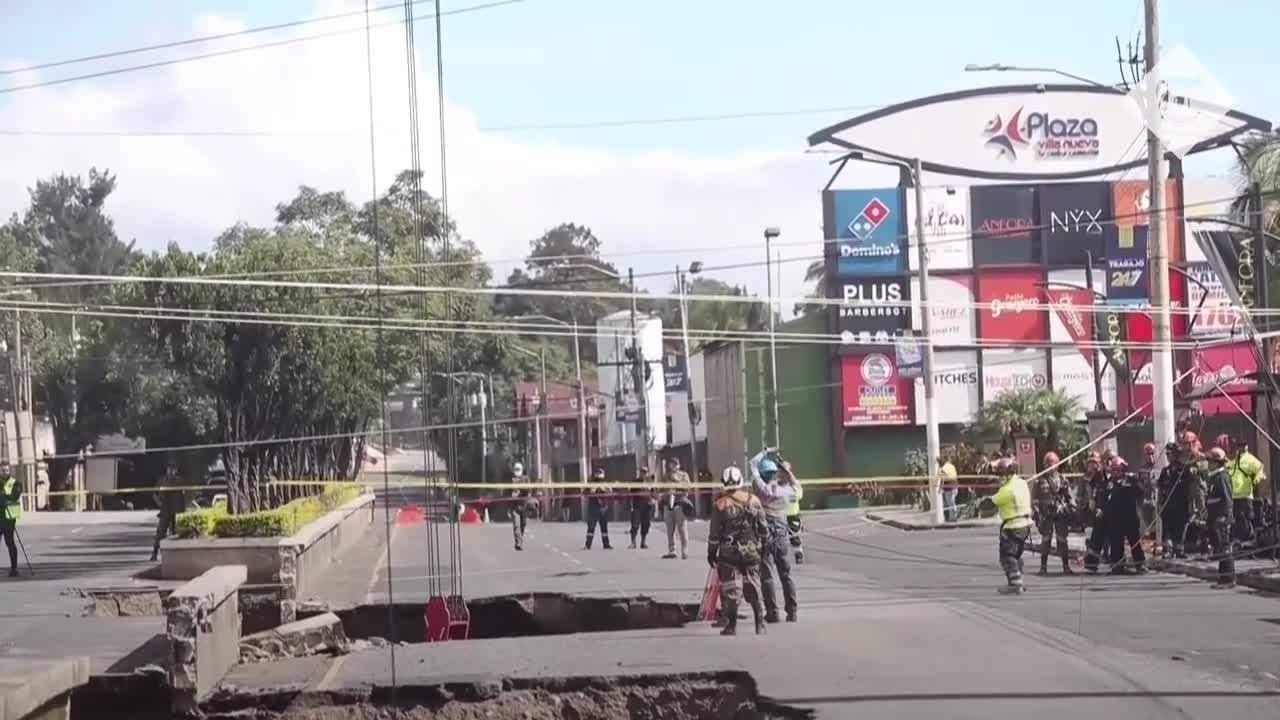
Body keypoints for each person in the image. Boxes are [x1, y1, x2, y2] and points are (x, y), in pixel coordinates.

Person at [707, 465, 768, 636]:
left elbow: (714, 534)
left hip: (729, 553)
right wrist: (763, 546)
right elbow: (763, 528)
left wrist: (711, 553)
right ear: (740, 481)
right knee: (754, 586)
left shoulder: (720, 504)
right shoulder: (754, 500)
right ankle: (760, 625)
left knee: (732, 589)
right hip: (751, 551)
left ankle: (731, 627)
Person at [748, 447, 798, 622]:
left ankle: (772, 612)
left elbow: (752, 464)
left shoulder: (762, 490)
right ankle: (792, 611)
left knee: (767, 574)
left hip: (765, 534)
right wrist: (787, 470)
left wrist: (765, 451)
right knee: (786, 573)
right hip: (782, 533)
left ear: (763, 475)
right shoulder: (786, 492)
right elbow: (797, 487)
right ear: (775, 474)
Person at [987, 458, 1033, 595]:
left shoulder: (1006, 490)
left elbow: (990, 504)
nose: (999, 478)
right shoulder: (1022, 483)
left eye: (1001, 475)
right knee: (1016, 555)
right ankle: (1019, 581)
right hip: (1025, 526)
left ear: (1007, 474)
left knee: (1007, 556)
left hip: (1013, 526)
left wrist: (980, 503)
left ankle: (1015, 584)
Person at [1032, 451, 1075, 576]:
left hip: (1060, 514)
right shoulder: (1039, 481)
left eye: (1052, 463)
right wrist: (1036, 513)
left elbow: (1070, 497)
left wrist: (1069, 508)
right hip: (1046, 514)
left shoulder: (1063, 480)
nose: (1049, 465)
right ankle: (1043, 567)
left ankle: (1066, 567)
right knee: (1045, 540)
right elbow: (1034, 499)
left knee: (1062, 540)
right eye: (1047, 463)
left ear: (1057, 464)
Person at [1105, 456, 1147, 574]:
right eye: (1114, 470)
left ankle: (1140, 564)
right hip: (1115, 519)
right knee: (1116, 543)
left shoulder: (1131, 481)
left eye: (1118, 470)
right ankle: (1117, 565)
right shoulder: (1109, 484)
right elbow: (1104, 498)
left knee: (1135, 542)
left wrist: (1135, 481)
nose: (1116, 472)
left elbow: (1141, 491)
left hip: (1130, 518)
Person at [1222, 435, 1265, 546]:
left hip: (1245, 494)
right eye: (1240, 446)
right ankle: (1240, 540)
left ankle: (1247, 538)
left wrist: (1256, 479)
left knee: (1243, 517)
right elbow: (1228, 468)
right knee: (1236, 517)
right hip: (1234, 495)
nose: (1242, 448)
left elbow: (1260, 468)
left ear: (1247, 446)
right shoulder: (1235, 459)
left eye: (1244, 445)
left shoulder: (1250, 459)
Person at [1203, 447, 1237, 589]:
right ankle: (1223, 578)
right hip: (1215, 517)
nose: (1208, 464)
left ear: (1217, 463)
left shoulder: (1222, 477)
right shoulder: (1214, 477)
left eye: (1210, 461)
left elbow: (1227, 500)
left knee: (1225, 548)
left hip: (1221, 518)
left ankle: (1228, 579)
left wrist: (1225, 517)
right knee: (1220, 548)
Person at [1157, 442, 1191, 558]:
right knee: (1166, 530)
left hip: (1180, 505)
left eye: (1170, 453)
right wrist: (1160, 504)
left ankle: (1179, 550)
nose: (1168, 456)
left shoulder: (1184, 470)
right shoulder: (1165, 471)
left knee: (1180, 529)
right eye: (1167, 454)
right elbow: (1160, 488)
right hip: (1167, 506)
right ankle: (1167, 550)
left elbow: (1190, 487)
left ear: (1176, 454)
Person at [151, 459, 187, 562]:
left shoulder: (180, 481)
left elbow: (185, 495)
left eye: (173, 469)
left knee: (177, 533)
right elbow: (154, 494)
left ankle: (177, 556)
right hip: (165, 510)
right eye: (169, 469)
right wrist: (159, 503)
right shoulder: (162, 480)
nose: (171, 471)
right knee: (160, 532)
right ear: (167, 470)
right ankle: (154, 552)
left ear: (176, 470)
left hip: (176, 510)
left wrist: (183, 509)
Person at [1083, 452, 1111, 573]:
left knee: (1114, 538)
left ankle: (1115, 561)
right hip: (1099, 510)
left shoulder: (1119, 472)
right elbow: (1092, 490)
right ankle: (1091, 563)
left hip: (1113, 510)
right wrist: (1093, 502)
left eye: (1111, 459)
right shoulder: (1098, 476)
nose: (1109, 462)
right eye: (1107, 460)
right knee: (1096, 537)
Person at [661, 458, 692, 559]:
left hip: (679, 504)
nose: (673, 466)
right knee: (670, 530)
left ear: (679, 465)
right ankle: (672, 550)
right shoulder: (665, 476)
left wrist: (675, 480)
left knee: (682, 529)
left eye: (675, 464)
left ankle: (684, 550)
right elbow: (661, 488)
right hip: (668, 505)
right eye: (671, 464)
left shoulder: (684, 475)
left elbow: (687, 488)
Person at [1, 461, 21, 577]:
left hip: (9, 518)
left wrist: (4, 497)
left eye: (6, 470)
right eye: (2, 470)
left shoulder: (15, 483)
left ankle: (14, 568)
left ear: (9, 471)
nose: (4, 472)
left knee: (10, 543)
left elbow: (15, 496)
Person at [782, 461, 804, 565]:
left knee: (795, 537)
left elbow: (798, 495)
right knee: (779, 538)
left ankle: (798, 555)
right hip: (780, 515)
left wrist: (788, 472)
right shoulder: (777, 486)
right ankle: (779, 558)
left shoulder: (795, 485)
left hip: (793, 516)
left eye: (785, 472)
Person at [629, 465, 656, 549]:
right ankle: (633, 542)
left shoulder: (649, 482)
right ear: (640, 472)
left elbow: (653, 493)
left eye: (645, 472)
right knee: (635, 524)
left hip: (647, 506)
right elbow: (631, 493)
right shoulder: (635, 481)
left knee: (646, 524)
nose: (643, 473)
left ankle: (643, 542)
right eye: (642, 472)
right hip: (637, 505)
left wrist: (653, 498)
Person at [584, 467, 613, 550]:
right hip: (593, 509)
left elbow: (610, 493)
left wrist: (606, 490)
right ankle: (588, 545)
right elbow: (585, 493)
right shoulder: (591, 484)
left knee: (604, 528)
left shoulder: (606, 484)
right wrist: (591, 491)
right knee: (591, 528)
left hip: (603, 509)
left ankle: (606, 544)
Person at [1137, 442, 1159, 540]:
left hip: (1158, 502)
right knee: (1148, 526)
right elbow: (1139, 485)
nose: (1150, 456)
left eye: (1152, 453)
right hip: (1146, 503)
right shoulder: (1142, 470)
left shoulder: (1160, 467)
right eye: (1148, 454)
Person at [509, 462, 532, 551]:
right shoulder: (510, 479)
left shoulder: (525, 478)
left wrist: (522, 488)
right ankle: (518, 542)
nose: (517, 471)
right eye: (516, 469)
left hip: (523, 505)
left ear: (521, 470)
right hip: (514, 506)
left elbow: (529, 490)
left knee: (523, 524)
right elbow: (506, 491)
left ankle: (520, 538)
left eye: (518, 469)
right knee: (516, 525)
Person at [940, 454, 959, 523]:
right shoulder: (952, 466)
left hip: (949, 488)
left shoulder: (943, 468)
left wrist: (940, 489)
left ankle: (953, 517)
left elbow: (942, 479)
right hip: (955, 486)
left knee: (950, 503)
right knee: (952, 502)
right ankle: (953, 517)